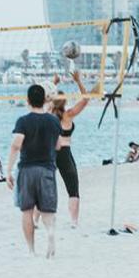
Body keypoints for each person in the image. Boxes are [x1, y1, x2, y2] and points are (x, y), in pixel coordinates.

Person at [7, 84, 62, 257]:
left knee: (27, 212)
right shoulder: (53, 120)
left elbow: (16, 145)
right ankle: (50, 232)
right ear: (44, 99)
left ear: (28, 100)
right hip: (47, 169)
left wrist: (8, 170)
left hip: (27, 169)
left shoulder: (23, 121)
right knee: (47, 210)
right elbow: (59, 145)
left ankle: (31, 250)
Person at [50, 70, 90, 228]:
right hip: (65, 153)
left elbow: (42, 100)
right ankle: (74, 221)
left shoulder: (47, 113)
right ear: (64, 101)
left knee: (45, 187)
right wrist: (78, 81)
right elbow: (85, 99)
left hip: (50, 153)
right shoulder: (68, 115)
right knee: (73, 188)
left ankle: (35, 220)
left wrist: (53, 83)